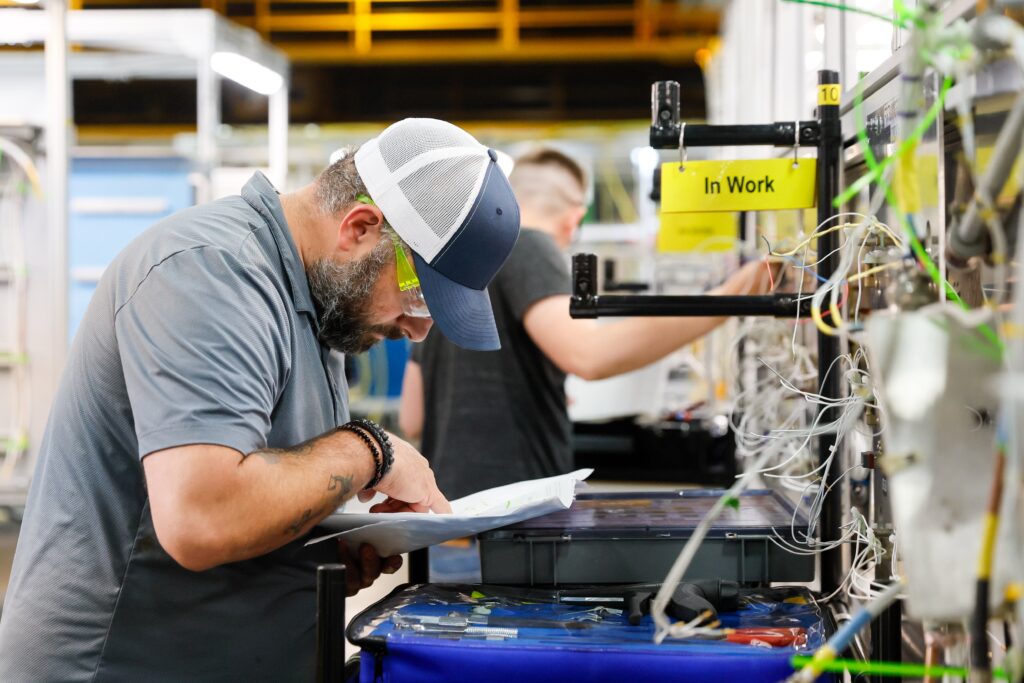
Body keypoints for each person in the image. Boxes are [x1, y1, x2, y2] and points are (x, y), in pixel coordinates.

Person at [0, 118, 521, 681]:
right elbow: (202, 517)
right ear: (361, 227)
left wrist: (312, 551)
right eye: (418, 297)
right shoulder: (211, 272)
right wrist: (370, 449)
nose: (418, 332)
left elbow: (256, 486)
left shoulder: (321, 305)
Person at [399, 147, 775, 499]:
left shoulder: (459, 265)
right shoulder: (530, 246)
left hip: (447, 515)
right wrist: (729, 298)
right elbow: (589, 355)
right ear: (574, 218)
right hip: (512, 521)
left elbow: (412, 418)